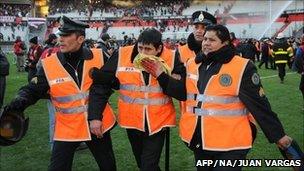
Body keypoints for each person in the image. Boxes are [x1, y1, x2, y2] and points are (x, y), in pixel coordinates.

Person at [141, 24, 293, 171]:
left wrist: (278, 135)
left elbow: (259, 105)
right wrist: (161, 75)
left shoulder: (242, 67)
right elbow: (182, 93)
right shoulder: (193, 64)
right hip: (200, 141)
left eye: (212, 40)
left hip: (231, 144)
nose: (206, 43)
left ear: (225, 43)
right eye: (205, 39)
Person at [2, 16, 116, 171]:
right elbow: (34, 89)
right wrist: (20, 100)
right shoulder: (50, 64)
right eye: (60, 35)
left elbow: (113, 82)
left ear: (80, 38)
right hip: (67, 128)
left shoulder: (99, 56)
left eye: (66, 35)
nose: (60, 39)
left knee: (108, 166)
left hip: (97, 125)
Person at [89, 28, 185, 171]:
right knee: (143, 164)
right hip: (132, 121)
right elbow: (101, 86)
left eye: (148, 49)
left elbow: (182, 93)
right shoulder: (122, 54)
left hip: (159, 122)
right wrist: (95, 116)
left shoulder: (171, 57)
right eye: (140, 47)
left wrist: (161, 75)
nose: (143, 53)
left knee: (148, 166)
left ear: (159, 48)